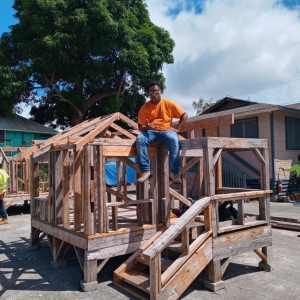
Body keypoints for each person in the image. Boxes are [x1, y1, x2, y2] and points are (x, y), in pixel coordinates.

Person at [136, 82, 188, 183]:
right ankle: (146, 171)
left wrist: (178, 129)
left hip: (167, 131)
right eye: (151, 91)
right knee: (140, 139)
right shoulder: (145, 107)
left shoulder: (169, 104)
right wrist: (146, 127)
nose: (154, 93)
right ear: (148, 93)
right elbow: (140, 127)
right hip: (151, 132)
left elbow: (184, 115)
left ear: (161, 91)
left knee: (174, 139)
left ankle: (174, 173)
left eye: (156, 91)